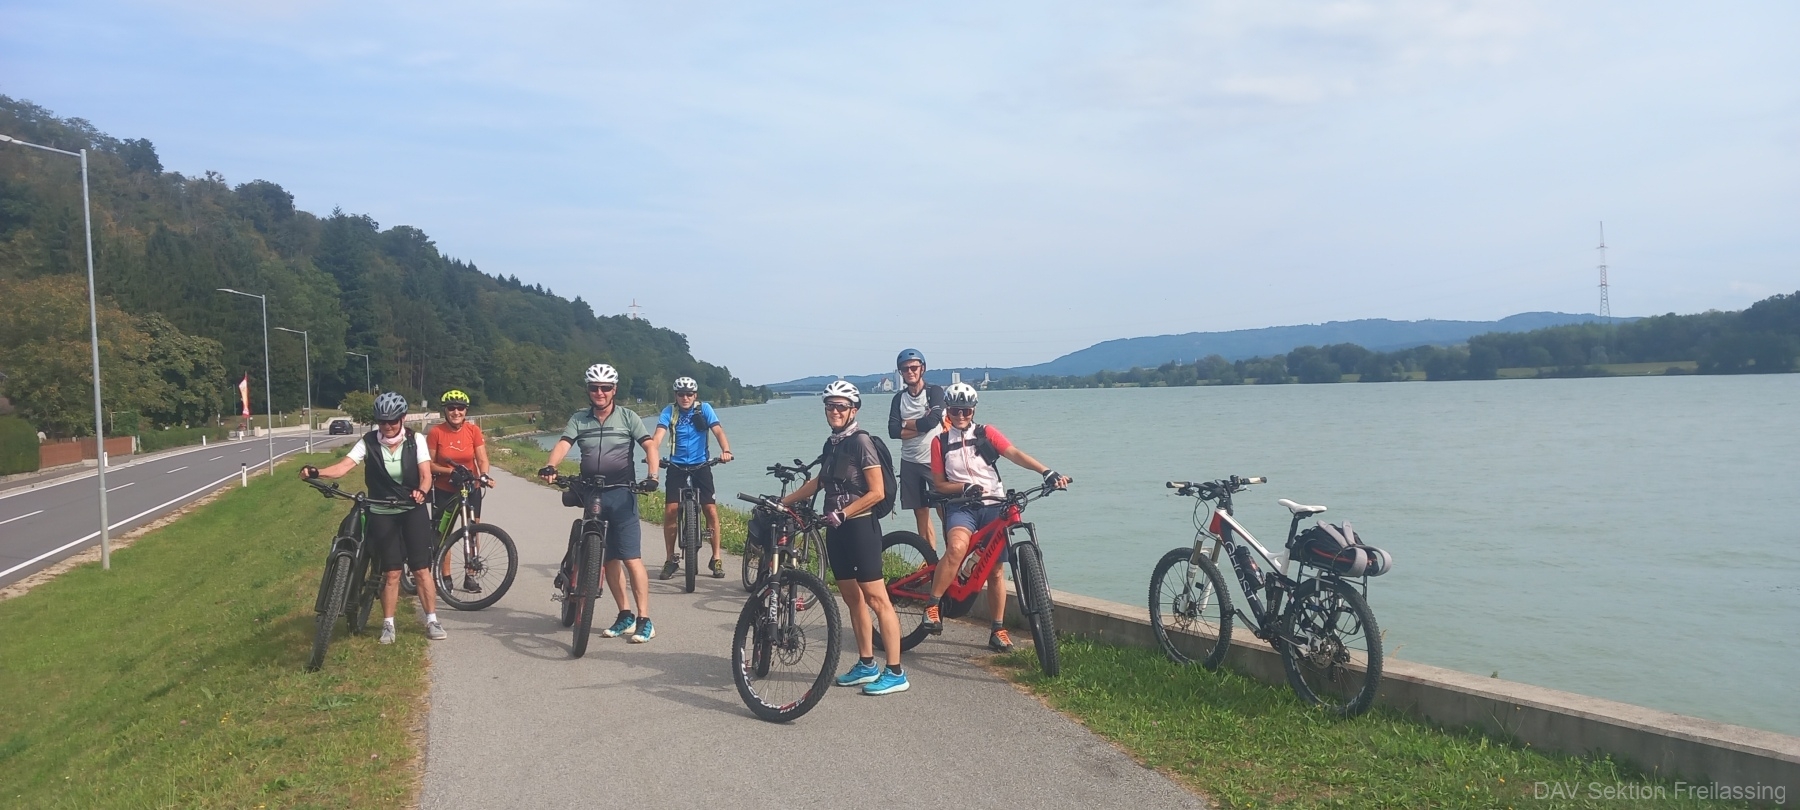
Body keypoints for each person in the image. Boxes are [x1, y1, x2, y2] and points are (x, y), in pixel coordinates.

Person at [780, 380, 909, 695]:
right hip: (836, 530)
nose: (835, 411)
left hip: (860, 528)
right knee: (852, 598)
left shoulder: (861, 442)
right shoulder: (833, 444)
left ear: (854, 410)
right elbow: (819, 482)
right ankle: (867, 664)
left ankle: (896, 672)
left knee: (877, 599)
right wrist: (783, 502)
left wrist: (845, 513)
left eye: (841, 406)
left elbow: (877, 492)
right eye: (830, 406)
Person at [925, 383, 1070, 652]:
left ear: (973, 410)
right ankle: (933, 605)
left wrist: (1046, 471)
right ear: (948, 410)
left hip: (994, 504)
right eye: (955, 410)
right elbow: (939, 485)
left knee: (995, 571)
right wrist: (963, 487)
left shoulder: (986, 433)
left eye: (966, 410)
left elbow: (1014, 453)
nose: (961, 415)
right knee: (956, 548)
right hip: (962, 506)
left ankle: (998, 629)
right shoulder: (940, 442)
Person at [301, 391, 447, 644]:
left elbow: (425, 475)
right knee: (392, 572)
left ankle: (432, 620)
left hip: (411, 509)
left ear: (402, 419)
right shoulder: (368, 442)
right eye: (382, 421)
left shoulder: (416, 440)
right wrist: (317, 472)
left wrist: (422, 492)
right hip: (381, 512)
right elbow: (344, 466)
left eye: (392, 421)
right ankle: (388, 625)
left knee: (421, 569)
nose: (387, 426)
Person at [539, 363, 661, 643]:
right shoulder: (579, 419)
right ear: (588, 390)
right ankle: (625, 615)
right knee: (609, 559)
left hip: (622, 494)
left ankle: (644, 619)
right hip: (592, 493)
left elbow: (649, 445)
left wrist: (653, 476)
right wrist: (551, 466)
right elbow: (563, 444)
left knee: (631, 558)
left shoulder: (628, 417)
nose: (600, 392)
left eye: (605, 387)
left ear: (614, 390)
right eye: (594, 387)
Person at [650, 376, 735, 579]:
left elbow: (718, 431)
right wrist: (652, 454)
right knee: (670, 511)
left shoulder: (704, 409)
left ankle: (716, 558)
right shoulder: (669, 411)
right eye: (681, 394)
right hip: (676, 465)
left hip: (701, 464)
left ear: (695, 395)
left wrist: (726, 450)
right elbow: (658, 436)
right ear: (676, 395)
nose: (685, 398)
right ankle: (670, 559)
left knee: (710, 510)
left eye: (689, 394)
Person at [426, 389, 494, 592]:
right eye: (451, 408)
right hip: (445, 489)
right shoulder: (436, 433)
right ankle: (445, 576)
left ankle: (470, 575)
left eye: (460, 408)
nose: (456, 412)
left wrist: (484, 475)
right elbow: (429, 464)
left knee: (472, 531)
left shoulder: (473, 431)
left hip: (470, 488)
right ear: (445, 410)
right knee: (443, 533)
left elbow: (482, 459)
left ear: (466, 411)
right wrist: (450, 471)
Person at [886, 348, 945, 553]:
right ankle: (929, 558)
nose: (910, 372)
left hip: (934, 460)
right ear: (900, 372)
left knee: (944, 510)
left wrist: (906, 423)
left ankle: (953, 558)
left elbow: (932, 422)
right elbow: (893, 431)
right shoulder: (899, 399)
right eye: (905, 369)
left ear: (923, 368)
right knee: (920, 512)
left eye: (914, 367)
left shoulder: (934, 392)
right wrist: (918, 425)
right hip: (910, 461)